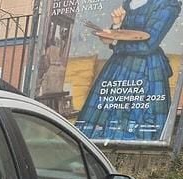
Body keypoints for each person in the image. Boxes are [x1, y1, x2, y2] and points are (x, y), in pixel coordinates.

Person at [76, 0, 181, 141]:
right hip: (118, 66)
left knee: (137, 124)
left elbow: (148, 44)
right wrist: (117, 25)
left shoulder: (167, 4)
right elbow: (124, 35)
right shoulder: (128, 3)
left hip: (146, 70)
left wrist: (114, 41)